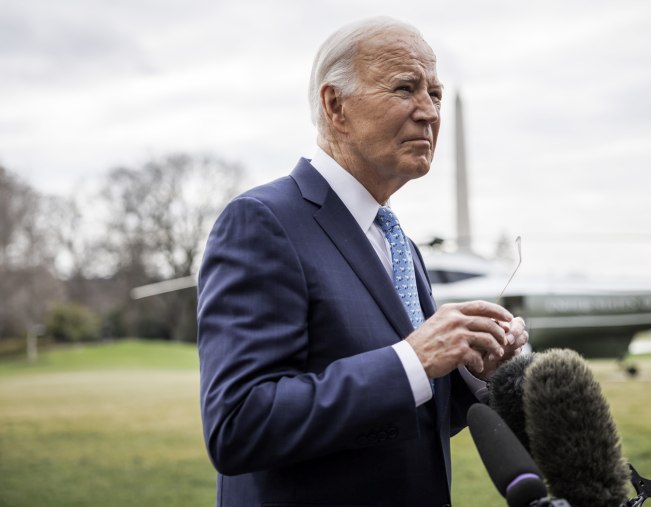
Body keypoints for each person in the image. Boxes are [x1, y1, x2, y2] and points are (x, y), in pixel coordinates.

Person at [197, 16, 528, 507]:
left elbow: (406, 414)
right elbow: (240, 424)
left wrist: (474, 371)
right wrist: (413, 359)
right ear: (336, 106)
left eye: (435, 94)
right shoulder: (262, 221)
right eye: (405, 88)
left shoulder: (400, 244)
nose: (429, 113)